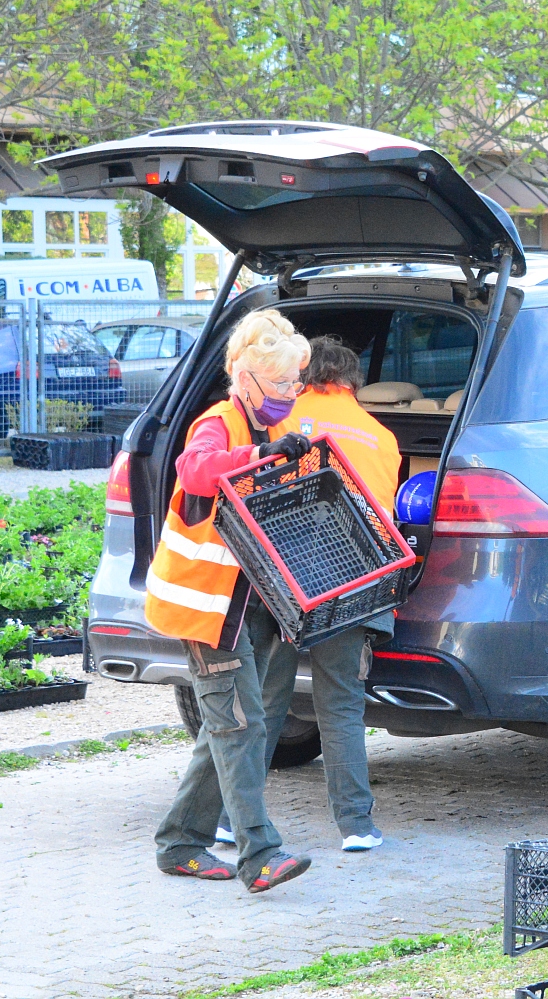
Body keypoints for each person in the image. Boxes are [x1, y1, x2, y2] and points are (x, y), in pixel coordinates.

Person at [149, 309, 317, 893]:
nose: (289, 395)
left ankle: (179, 844)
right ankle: (258, 855)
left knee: (224, 726)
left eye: (296, 384)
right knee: (240, 726)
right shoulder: (219, 425)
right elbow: (195, 472)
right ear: (246, 380)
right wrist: (260, 459)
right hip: (204, 609)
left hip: (237, 607)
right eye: (281, 385)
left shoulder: (256, 429)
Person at [216, 336, 402, 853]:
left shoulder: (283, 422)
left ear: (303, 373)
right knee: (341, 704)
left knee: (265, 702)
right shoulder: (382, 435)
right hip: (353, 576)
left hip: (287, 576)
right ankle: (357, 827)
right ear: (353, 381)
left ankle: (232, 821)